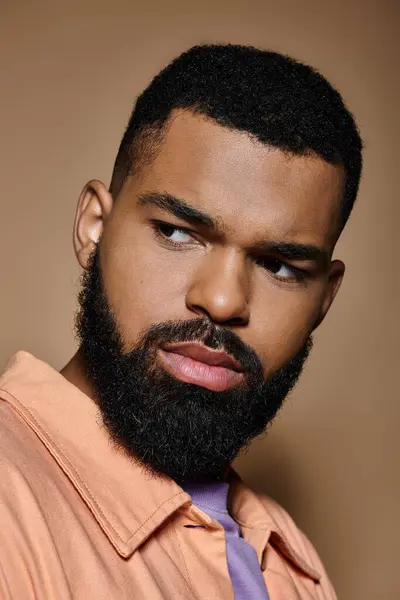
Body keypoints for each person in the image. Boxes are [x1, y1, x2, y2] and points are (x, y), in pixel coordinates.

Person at [0, 43, 362, 600]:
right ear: (94, 226)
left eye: (279, 265)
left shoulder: (293, 564)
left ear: (324, 299)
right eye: (176, 232)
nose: (221, 301)